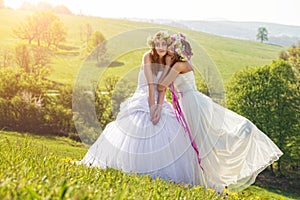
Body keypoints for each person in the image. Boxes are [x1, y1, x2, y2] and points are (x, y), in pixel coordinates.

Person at [157, 32, 283, 192]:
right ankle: (206, 181)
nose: (167, 51)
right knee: (199, 141)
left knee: (203, 141)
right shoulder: (182, 64)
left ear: (176, 51)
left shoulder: (179, 65)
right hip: (189, 103)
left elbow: (162, 86)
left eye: (170, 49)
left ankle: (216, 178)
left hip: (192, 104)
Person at [77, 31, 205, 186]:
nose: (160, 47)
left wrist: (159, 106)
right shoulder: (147, 57)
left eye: (164, 44)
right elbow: (151, 86)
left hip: (159, 99)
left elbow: (162, 88)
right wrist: (152, 108)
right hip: (144, 95)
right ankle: (133, 167)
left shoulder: (167, 61)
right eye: (157, 44)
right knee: (140, 126)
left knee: (169, 129)